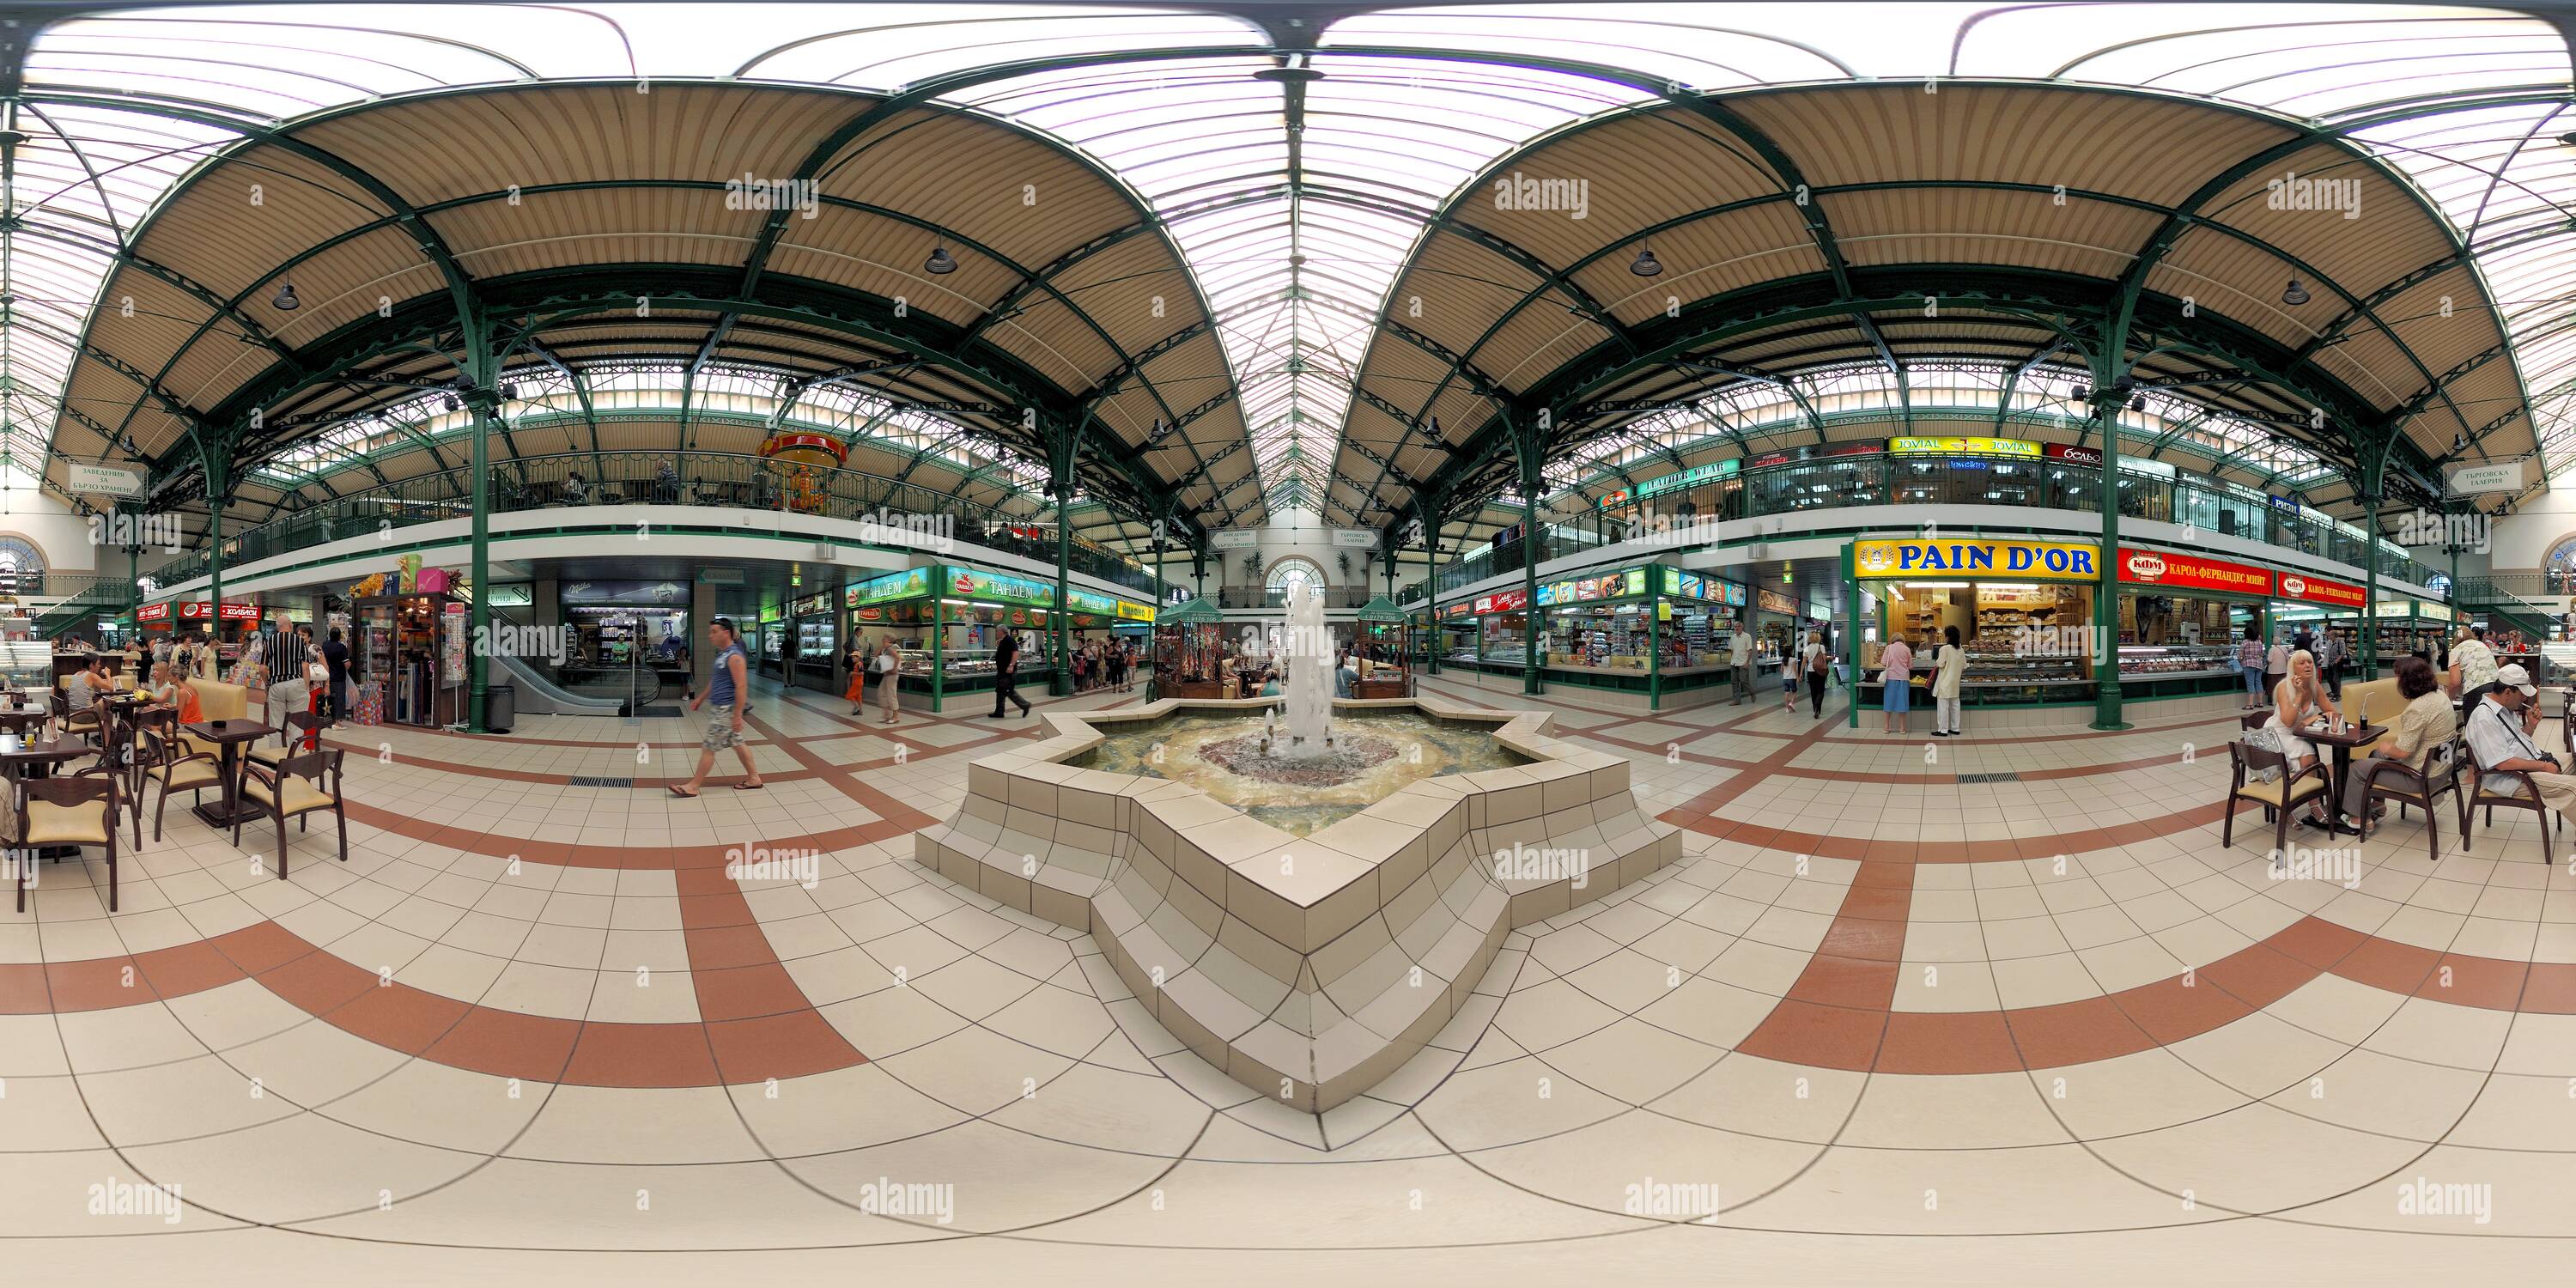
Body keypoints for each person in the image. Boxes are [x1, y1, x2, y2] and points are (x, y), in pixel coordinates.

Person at [2341, 656, 2458, 835]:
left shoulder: (2417, 709)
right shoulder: (2440, 696)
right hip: (2443, 768)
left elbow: (2402, 752)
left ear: (2409, 681)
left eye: (2398, 677)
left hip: (2420, 778)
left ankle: (2358, 819)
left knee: (2357, 768)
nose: (2396, 681)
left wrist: (2388, 748)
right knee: (2375, 754)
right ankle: (2379, 805)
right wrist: (2383, 751)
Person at [2462, 664, 2576, 822]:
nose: (2525, 699)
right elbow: (2503, 763)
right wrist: (2544, 766)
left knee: (2574, 761)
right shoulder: (2484, 718)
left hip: (2528, 763)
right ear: (2508, 692)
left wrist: (2530, 725)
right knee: (2573, 788)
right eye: (2522, 695)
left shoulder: (2505, 708)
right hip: (2511, 778)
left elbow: (2516, 740)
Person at [673, 617, 763, 797]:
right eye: (710, 632)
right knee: (738, 743)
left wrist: (737, 715)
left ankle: (693, 786)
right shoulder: (722, 655)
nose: (710, 636)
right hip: (721, 708)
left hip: (726, 709)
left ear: (726, 633)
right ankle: (754, 779)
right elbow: (715, 681)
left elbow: (741, 686)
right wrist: (700, 698)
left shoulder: (735, 656)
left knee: (709, 747)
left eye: (714, 632)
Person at [2267, 649, 2341, 831]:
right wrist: (2299, 694)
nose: (2307, 665)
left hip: (2298, 734)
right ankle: (2310, 805)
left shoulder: (2315, 685)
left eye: (2309, 662)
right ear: (2293, 668)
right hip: (2278, 734)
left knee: (2306, 754)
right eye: (2302, 663)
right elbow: (2288, 721)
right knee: (2307, 753)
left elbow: (2333, 712)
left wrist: (2313, 718)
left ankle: (2295, 805)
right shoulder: (2285, 687)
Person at [2449, 624, 2498, 708]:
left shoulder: (2456, 650)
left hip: (2475, 689)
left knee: (2473, 719)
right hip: (2496, 686)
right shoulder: (2482, 645)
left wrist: (2449, 697)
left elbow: (2455, 682)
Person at [1931, 624, 1966, 737]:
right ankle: (1955, 728)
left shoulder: (1944, 649)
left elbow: (1940, 664)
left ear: (1948, 637)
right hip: (1955, 682)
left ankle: (1943, 730)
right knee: (1955, 705)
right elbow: (1964, 666)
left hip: (1944, 682)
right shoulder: (1961, 650)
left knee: (1943, 707)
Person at [991, 626, 1031, 718]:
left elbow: (1015, 653)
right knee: (1001, 690)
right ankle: (999, 712)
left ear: (1002, 631)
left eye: (997, 631)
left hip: (1007, 671)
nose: (996, 633)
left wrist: (1011, 665)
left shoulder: (1009, 640)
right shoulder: (1004, 641)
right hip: (1002, 671)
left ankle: (1025, 705)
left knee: (1008, 690)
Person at [1878, 632, 1913, 734]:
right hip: (1903, 678)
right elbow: (1910, 666)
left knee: (1888, 702)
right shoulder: (1907, 649)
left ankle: (1886, 727)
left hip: (1891, 678)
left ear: (1892, 640)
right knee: (1902, 702)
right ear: (1903, 640)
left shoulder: (1889, 648)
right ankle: (1902, 728)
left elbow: (1884, 662)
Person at [320, 627, 350, 725]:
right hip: (338, 678)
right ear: (339, 637)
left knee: (328, 699)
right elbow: (346, 663)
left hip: (326, 677)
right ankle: (337, 722)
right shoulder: (341, 647)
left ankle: (328, 720)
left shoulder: (324, 645)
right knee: (339, 699)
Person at [2236, 625, 2267, 710]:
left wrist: (2241, 662)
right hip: (2259, 665)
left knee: (2250, 684)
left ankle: (2250, 704)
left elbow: (2240, 655)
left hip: (2248, 665)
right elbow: (2262, 654)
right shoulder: (2259, 642)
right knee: (2258, 683)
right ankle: (2260, 702)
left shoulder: (2245, 642)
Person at [873, 636, 902, 725]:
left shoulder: (891, 648)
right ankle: (886, 715)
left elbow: (897, 657)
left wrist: (894, 668)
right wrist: (883, 646)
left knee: (891, 694)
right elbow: (876, 654)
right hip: (886, 674)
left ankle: (895, 716)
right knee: (881, 693)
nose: (882, 640)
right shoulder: (885, 649)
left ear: (889, 640)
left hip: (892, 675)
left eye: (884, 638)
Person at [1802, 629, 1829, 719]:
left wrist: (1800, 673)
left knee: (1813, 691)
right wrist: (1830, 658)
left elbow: (1803, 662)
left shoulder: (1806, 648)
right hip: (1820, 671)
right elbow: (1824, 658)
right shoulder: (1821, 647)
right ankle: (1818, 707)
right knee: (1821, 691)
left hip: (1810, 671)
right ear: (1818, 638)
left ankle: (1815, 707)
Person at [842, 635, 869, 715]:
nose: (852, 659)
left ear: (858, 657)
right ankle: (860, 710)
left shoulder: (859, 664)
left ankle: (856, 707)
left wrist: (853, 673)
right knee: (858, 697)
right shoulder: (857, 664)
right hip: (857, 683)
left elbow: (862, 673)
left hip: (857, 683)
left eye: (854, 657)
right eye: (852, 657)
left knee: (849, 695)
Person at [2262, 633, 2290, 708]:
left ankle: (2272, 701)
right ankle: (2281, 700)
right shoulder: (2285, 649)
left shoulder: (2272, 649)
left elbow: (2270, 660)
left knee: (2272, 686)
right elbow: (2288, 659)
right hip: (2283, 670)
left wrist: (2266, 659)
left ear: (2273, 642)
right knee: (2282, 686)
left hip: (2273, 671)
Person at [1728, 626, 1754, 706]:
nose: (1736, 628)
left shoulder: (1747, 636)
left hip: (1743, 663)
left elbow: (1750, 650)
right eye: (1735, 627)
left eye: (1738, 627)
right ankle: (1737, 700)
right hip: (1734, 663)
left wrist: (1747, 662)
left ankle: (1752, 692)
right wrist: (1731, 660)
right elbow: (1731, 650)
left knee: (1743, 680)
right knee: (1734, 682)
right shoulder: (1733, 637)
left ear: (1742, 627)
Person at [2317, 629, 2345, 700]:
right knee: (2329, 678)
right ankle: (2333, 692)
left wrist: (2336, 661)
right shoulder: (2331, 642)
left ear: (2333, 635)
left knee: (2336, 679)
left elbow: (2343, 653)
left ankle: (2337, 695)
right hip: (2330, 663)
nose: (2328, 637)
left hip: (2336, 664)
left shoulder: (2340, 641)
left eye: (2329, 635)